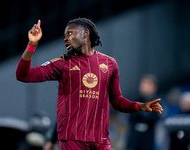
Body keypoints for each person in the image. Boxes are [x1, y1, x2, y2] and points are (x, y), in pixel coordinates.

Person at [16, 18, 163, 150]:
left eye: (70, 34)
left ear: (85, 33)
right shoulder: (62, 64)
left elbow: (117, 101)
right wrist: (31, 45)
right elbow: (23, 75)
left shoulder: (109, 64)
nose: (66, 39)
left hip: (101, 141)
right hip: (72, 139)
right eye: (65, 36)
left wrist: (140, 106)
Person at [126, 74, 160, 150]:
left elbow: (153, 117)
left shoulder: (156, 103)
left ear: (154, 87)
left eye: (148, 84)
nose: (144, 86)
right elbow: (132, 116)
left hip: (147, 139)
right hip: (134, 138)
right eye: (143, 83)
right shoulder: (135, 100)